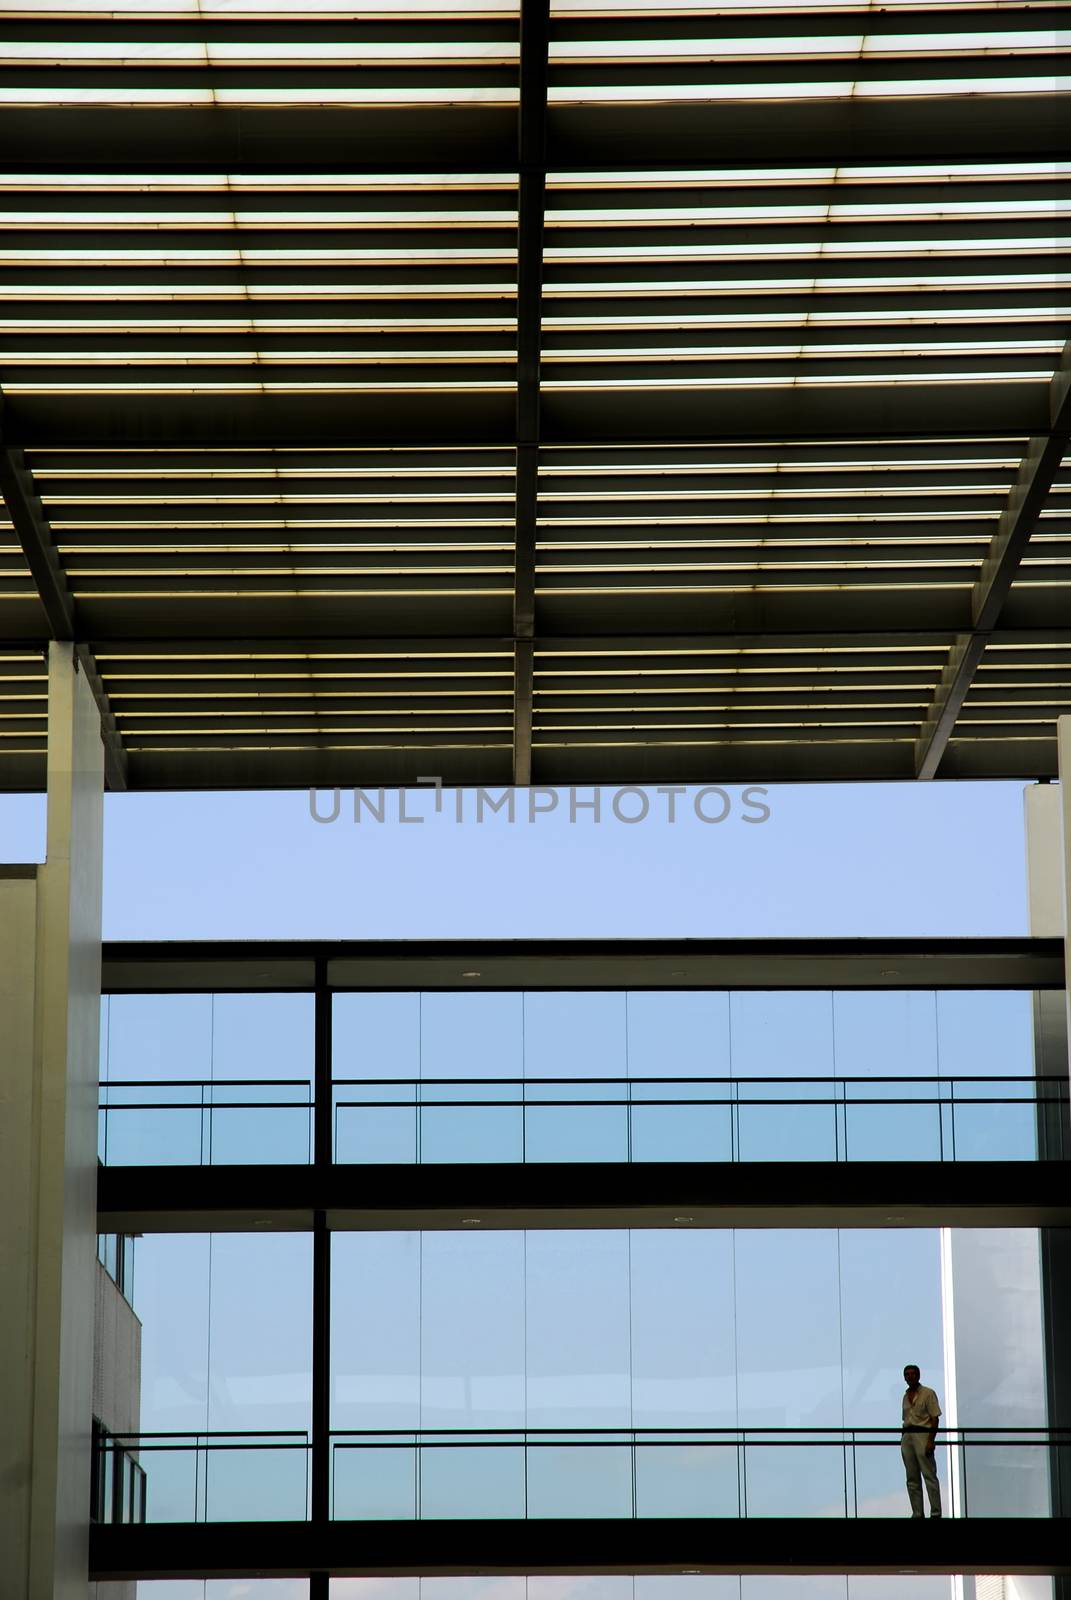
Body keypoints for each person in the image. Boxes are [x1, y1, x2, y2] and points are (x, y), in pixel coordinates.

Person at [901, 1364, 942, 1518]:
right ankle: (917, 1513)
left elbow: (934, 1418)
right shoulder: (905, 1396)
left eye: (913, 1374)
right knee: (912, 1478)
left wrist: (931, 1440)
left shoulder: (928, 1393)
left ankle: (936, 1513)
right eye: (907, 1374)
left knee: (929, 1475)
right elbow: (905, 1419)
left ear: (918, 1376)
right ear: (904, 1377)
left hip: (923, 1434)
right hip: (908, 1436)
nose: (910, 1376)